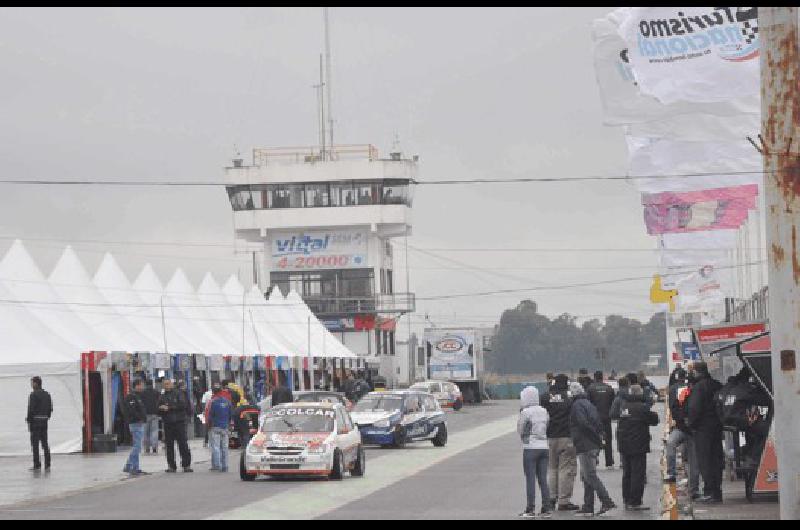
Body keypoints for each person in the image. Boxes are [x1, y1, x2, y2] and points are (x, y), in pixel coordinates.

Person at [569, 382, 616, 517]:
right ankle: (588, 506)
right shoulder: (589, 403)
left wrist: (593, 437)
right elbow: (598, 421)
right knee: (586, 476)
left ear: (573, 393)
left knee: (590, 475)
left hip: (585, 444)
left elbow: (583, 423)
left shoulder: (577, 405)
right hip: (592, 445)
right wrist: (599, 437)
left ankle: (606, 501)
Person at [613, 384, 659, 511]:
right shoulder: (642, 407)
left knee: (627, 473)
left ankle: (626, 499)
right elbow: (654, 420)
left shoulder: (624, 406)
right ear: (640, 394)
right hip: (638, 444)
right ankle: (635, 501)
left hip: (624, 443)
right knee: (637, 474)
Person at [540, 374, 579, 511]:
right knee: (566, 469)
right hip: (566, 437)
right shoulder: (570, 398)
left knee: (552, 468)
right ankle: (563, 500)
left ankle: (551, 498)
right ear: (566, 383)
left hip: (550, 437)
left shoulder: (544, 396)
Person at [686, 361, 724, 503]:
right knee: (716, 459)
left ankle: (709, 492)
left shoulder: (698, 388)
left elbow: (694, 409)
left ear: (697, 372)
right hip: (716, 426)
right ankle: (717, 491)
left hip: (703, 428)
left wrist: (691, 424)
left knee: (705, 460)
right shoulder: (716, 384)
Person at [665, 364, 701, 499]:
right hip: (693, 429)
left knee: (670, 444)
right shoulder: (694, 390)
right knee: (694, 461)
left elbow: (673, 408)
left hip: (680, 427)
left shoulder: (673, 389)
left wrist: (681, 422)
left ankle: (671, 473)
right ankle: (694, 490)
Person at [517, 386, 552, 519]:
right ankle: (546, 508)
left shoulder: (525, 412)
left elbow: (520, 429)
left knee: (530, 479)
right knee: (543, 479)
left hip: (530, 447)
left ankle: (530, 509)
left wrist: (525, 438)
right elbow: (548, 425)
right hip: (544, 447)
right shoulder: (544, 411)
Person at [158, 379, 193, 473]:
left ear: (172, 384)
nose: (166, 385)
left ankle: (186, 465)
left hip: (179, 422)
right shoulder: (162, 396)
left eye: (168, 384)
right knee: (169, 446)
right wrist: (161, 408)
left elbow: (183, 405)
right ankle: (171, 466)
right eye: (165, 384)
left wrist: (169, 407)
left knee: (183, 444)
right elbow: (158, 408)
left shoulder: (178, 393)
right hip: (168, 423)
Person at [587, 371, 616, 469]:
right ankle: (609, 463)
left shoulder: (590, 388)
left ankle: (594, 460)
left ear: (594, 378)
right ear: (602, 377)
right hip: (607, 417)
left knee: (594, 439)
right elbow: (613, 403)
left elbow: (588, 404)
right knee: (608, 440)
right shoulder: (609, 388)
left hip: (594, 418)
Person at [121, 379, 149, 476]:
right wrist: (139, 418)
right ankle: (134, 467)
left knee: (137, 446)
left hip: (138, 423)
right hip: (135, 423)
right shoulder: (131, 397)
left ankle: (129, 466)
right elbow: (131, 410)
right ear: (136, 386)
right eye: (141, 385)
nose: (143, 387)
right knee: (137, 447)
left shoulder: (137, 397)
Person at [26, 376, 52, 471]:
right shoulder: (47, 394)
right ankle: (48, 463)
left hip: (35, 422)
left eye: (32, 383)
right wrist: (46, 417)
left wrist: (29, 420)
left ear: (36, 383)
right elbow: (50, 409)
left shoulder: (33, 395)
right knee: (45, 443)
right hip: (44, 421)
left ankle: (37, 464)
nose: (31, 385)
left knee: (35, 444)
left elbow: (31, 410)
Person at [206, 386, 233, 472]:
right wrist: (228, 424)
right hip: (225, 427)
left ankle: (217, 465)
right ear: (221, 392)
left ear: (213, 393)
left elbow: (210, 416)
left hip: (215, 427)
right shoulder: (228, 402)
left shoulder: (213, 402)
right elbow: (230, 415)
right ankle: (225, 466)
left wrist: (208, 426)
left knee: (216, 447)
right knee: (225, 447)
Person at [141, 380, 161, 454]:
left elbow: (141, 404)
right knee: (154, 431)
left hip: (145, 415)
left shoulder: (142, 393)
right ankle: (154, 447)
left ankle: (147, 448)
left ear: (145, 384)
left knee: (146, 432)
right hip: (154, 414)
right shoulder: (156, 392)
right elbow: (159, 402)